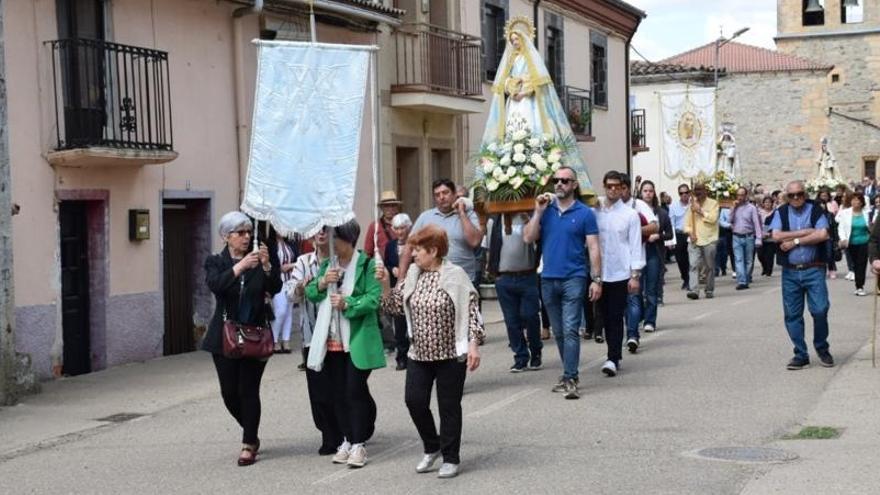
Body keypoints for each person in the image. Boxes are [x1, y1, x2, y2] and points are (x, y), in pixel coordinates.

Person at [376, 225, 484, 479]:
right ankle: (431, 445)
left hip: (450, 355)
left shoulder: (455, 275)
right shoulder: (414, 274)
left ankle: (450, 457)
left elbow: (471, 312)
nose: (412, 255)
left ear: (433, 251)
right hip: (419, 354)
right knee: (414, 401)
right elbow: (394, 307)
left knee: (448, 407)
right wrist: (384, 285)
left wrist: (473, 344)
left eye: (417, 250)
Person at [305, 220, 385, 468]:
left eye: (333, 239)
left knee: (353, 391)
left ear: (347, 239)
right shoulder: (329, 265)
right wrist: (321, 282)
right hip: (331, 340)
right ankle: (346, 440)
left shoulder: (368, 264)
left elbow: (374, 299)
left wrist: (349, 303)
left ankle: (359, 443)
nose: (330, 244)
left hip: (357, 339)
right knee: (337, 393)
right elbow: (311, 293)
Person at [204, 212, 281, 466]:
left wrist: (267, 266)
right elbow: (216, 285)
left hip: (255, 335)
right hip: (224, 336)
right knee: (229, 393)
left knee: (248, 390)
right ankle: (251, 429)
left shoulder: (261, 258)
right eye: (240, 233)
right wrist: (240, 266)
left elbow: (275, 286)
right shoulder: (215, 261)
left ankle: (248, 443)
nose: (246, 237)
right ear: (226, 237)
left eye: (248, 232)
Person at [523, 166, 602, 400]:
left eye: (565, 181)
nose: (559, 184)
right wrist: (537, 211)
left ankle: (570, 377)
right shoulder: (545, 211)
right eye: (556, 180)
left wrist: (596, 279)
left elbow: (594, 247)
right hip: (548, 279)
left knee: (570, 329)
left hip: (574, 278)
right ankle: (568, 373)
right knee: (558, 331)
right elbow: (528, 237)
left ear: (574, 185)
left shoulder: (585, 213)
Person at [769, 180, 834, 370]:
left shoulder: (815, 210)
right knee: (792, 314)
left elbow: (822, 234)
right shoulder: (781, 212)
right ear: (786, 197)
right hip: (790, 271)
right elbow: (776, 236)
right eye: (792, 195)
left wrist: (795, 240)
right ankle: (800, 354)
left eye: (799, 194)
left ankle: (822, 348)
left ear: (805, 194)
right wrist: (807, 232)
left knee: (820, 310)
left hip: (813, 268)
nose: (796, 198)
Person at [595, 171, 643, 377]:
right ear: (604, 187)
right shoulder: (594, 209)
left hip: (620, 272)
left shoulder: (630, 214)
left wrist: (635, 275)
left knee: (615, 316)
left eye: (617, 186)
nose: (613, 190)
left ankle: (613, 357)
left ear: (622, 188)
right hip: (598, 273)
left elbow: (634, 244)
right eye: (609, 186)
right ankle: (612, 351)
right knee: (602, 317)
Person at [486, 211, 542, 373]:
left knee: (530, 315)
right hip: (504, 278)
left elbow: (537, 238)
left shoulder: (528, 216)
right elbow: (490, 248)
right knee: (511, 321)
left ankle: (536, 351)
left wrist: (531, 218)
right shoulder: (495, 221)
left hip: (527, 275)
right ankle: (520, 356)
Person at [404, 179, 482, 287]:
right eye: (437, 195)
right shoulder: (425, 217)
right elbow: (409, 246)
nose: (441, 197)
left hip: (464, 280)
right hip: (432, 281)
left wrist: (461, 213)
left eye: (445, 193)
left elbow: (474, 241)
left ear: (455, 194)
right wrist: (400, 278)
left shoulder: (468, 214)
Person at [620, 174, 658, 353]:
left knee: (634, 298)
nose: (619, 191)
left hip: (634, 260)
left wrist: (635, 230)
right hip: (614, 263)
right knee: (619, 303)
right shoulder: (608, 207)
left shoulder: (639, 205)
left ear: (628, 188)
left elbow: (654, 226)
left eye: (623, 188)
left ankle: (633, 335)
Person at [639, 181, 673, 333]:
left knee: (651, 288)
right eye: (645, 191)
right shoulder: (634, 209)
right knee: (636, 288)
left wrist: (657, 236)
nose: (647, 193)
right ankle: (638, 315)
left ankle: (650, 320)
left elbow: (669, 234)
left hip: (654, 252)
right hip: (638, 251)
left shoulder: (661, 213)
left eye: (650, 191)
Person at [384, 213, 413, 370]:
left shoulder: (415, 243)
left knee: (413, 323)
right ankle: (401, 357)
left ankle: (414, 354)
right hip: (397, 288)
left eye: (403, 228)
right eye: (397, 229)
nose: (400, 232)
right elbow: (385, 263)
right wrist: (392, 269)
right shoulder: (390, 246)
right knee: (399, 324)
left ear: (409, 227)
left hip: (412, 287)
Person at [684, 183, 719, 300]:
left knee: (709, 267)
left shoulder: (713, 203)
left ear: (705, 191)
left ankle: (709, 289)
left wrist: (700, 211)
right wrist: (690, 233)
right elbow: (686, 225)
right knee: (693, 265)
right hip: (695, 241)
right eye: (696, 190)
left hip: (709, 240)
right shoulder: (691, 205)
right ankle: (694, 290)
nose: (698, 192)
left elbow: (713, 219)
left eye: (700, 189)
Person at [837, 193, 871, 296]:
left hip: (864, 242)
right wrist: (843, 239)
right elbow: (841, 227)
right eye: (853, 200)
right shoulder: (845, 213)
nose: (855, 202)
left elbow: (870, 226)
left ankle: (860, 286)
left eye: (858, 200)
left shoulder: (866, 213)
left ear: (861, 202)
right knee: (855, 265)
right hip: (850, 243)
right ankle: (857, 281)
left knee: (862, 264)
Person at [730, 187, 764, 290]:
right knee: (739, 259)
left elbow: (756, 223)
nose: (740, 197)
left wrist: (759, 238)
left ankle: (747, 276)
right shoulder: (734, 207)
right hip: (736, 236)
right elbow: (729, 220)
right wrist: (733, 209)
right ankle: (742, 281)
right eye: (738, 195)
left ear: (746, 196)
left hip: (749, 236)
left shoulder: (751, 208)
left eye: (742, 195)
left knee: (749, 260)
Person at [272, 228, 297, 353]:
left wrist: (292, 266)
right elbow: (274, 267)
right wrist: (289, 266)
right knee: (280, 311)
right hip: (278, 282)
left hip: (290, 281)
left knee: (288, 312)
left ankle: (286, 341)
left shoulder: (290, 245)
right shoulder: (271, 245)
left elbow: (297, 261)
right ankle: (274, 340)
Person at [364, 191, 401, 259]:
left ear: (396, 207)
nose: (390, 209)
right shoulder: (374, 226)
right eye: (386, 206)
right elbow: (367, 252)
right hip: (380, 266)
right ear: (381, 208)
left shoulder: (403, 224)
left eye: (392, 205)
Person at [669, 184, 691, 289]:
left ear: (689, 193)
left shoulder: (693, 204)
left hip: (691, 234)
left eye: (686, 192)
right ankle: (685, 277)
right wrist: (671, 241)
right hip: (679, 234)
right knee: (680, 259)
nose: (684, 195)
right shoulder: (673, 206)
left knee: (691, 258)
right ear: (679, 194)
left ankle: (690, 280)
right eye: (682, 193)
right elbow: (671, 223)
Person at [758, 197, 777, 277]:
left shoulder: (775, 213)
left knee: (769, 255)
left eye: (769, 202)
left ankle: (768, 271)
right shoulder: (759, 213)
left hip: (771, 237)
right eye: (765, 202)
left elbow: (776, 224)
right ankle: (764, 267)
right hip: (761, 235)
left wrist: (770, 233)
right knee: (760, 255)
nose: (767, 204)